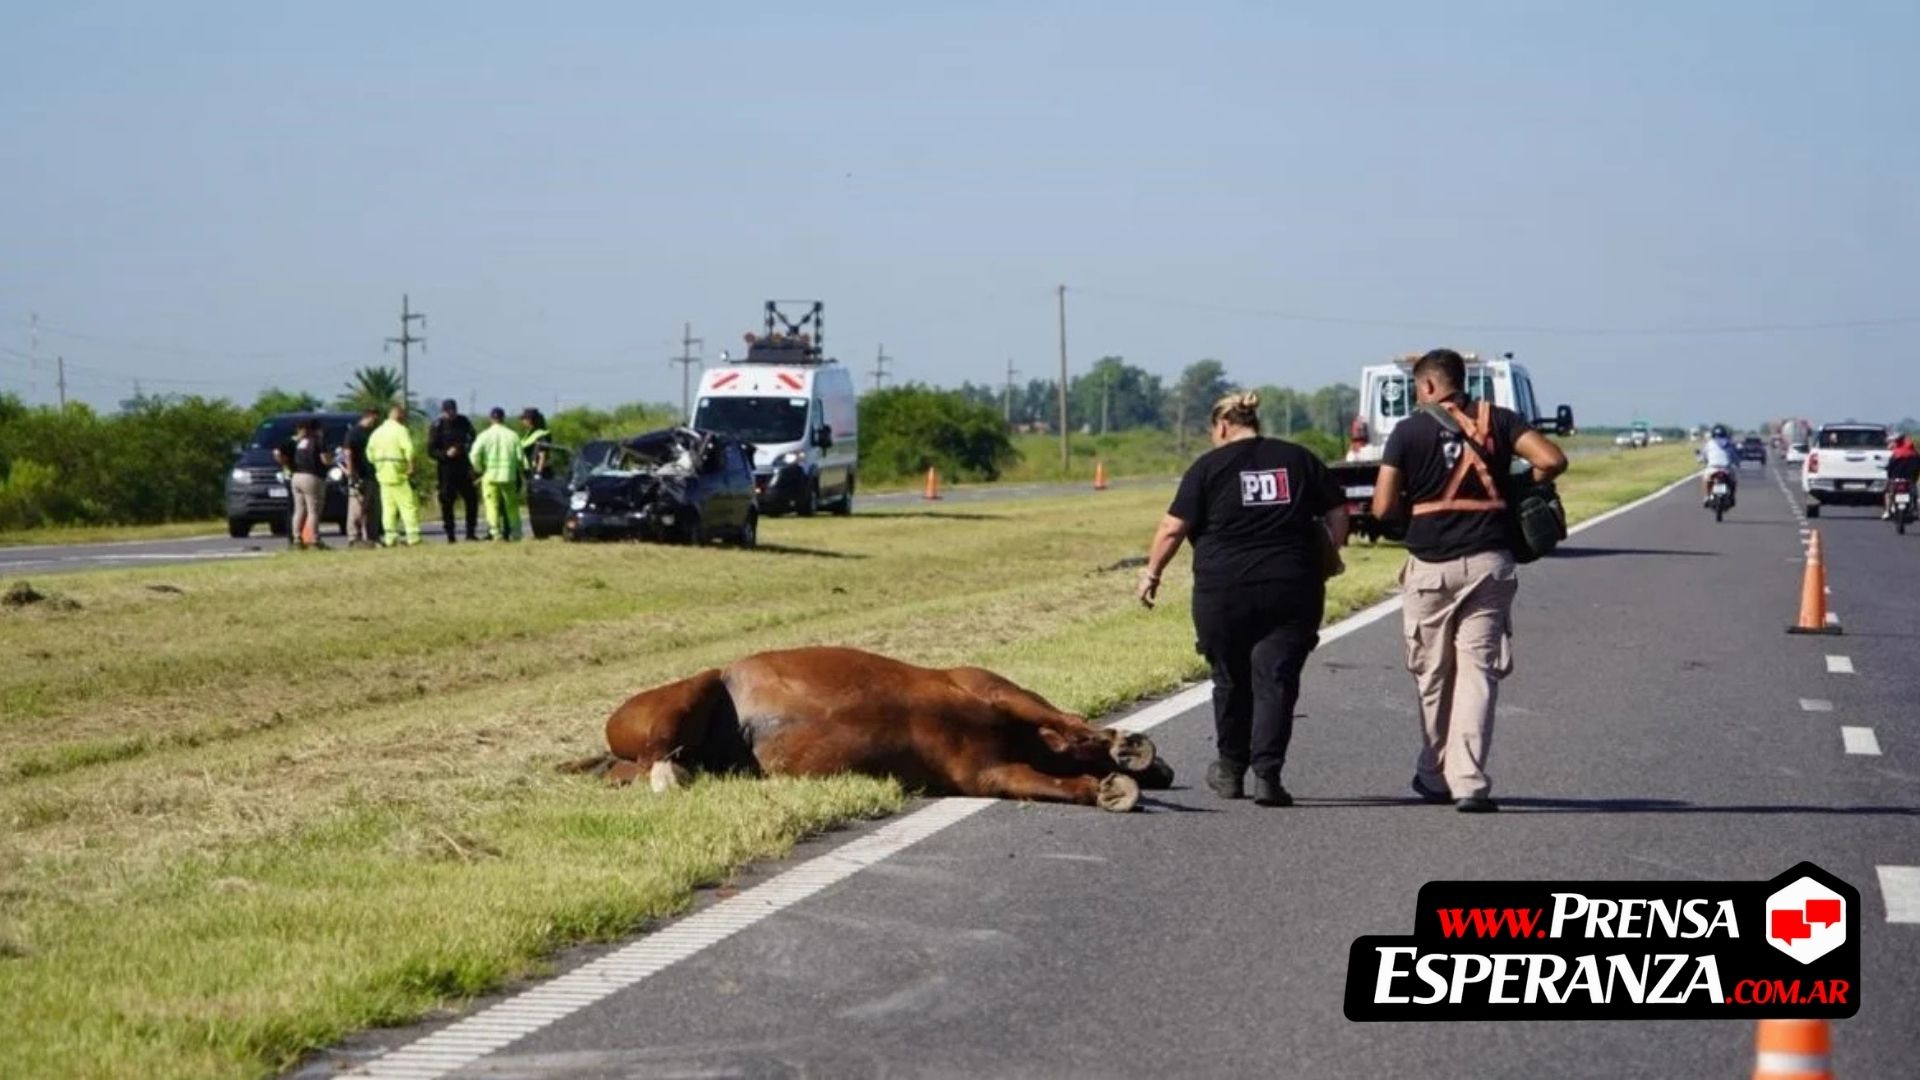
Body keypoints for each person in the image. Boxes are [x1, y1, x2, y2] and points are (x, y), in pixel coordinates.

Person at [1369, 349, 1567, 813]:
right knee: (1477, 674)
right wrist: (1521, 485)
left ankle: (1434, 773)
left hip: (1430, 567)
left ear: (1429, 386)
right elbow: (1552, 459)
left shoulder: (1407, 430)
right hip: (1488, 563)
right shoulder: (1499, 420)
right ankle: (1470, 782)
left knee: (1432, 675)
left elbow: (1381, 508)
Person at [1138, 391, 1350, 807]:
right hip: (1293, 588)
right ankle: (1268, 776)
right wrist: (1332, 551)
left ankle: (1231, 770)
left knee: (1230, 679)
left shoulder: (1207, 468)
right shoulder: (1298, 458)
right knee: (1276, 679)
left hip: (1223, 593)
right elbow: (1339, 511)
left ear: (1221, 426)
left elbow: (1171, 528)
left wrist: (1152, 573)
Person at [273, 417, 333, 549]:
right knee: (313, 510)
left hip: (296, 476)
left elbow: (278, 453)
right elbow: (325, 460)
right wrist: (331, 460)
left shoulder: (300, 442)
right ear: (317, 429)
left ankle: (296, 538)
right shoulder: (318, 440)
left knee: (299, 509)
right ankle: (314, 539)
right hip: (311, 476)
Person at [367, 403, 422, 547]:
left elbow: (369, 455)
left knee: (388, 508)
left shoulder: (377, 433)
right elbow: (409, 450)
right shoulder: (401, 431)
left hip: (382, 475)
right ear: (399, 416)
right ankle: (413, 536)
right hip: (399, 474)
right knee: (408, 506)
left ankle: (390, 537)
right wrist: (411, 467)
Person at [469, 406, 525, 541]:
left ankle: (495, 533)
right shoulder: (513, 435)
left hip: (490, 476)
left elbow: (474, 454)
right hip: (508, 476)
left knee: (491, 505)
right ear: (503, 418)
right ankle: (516, 533)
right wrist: (521, 471)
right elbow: (520, 458)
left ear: (491, 419)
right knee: (511, 505)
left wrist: (479, 469)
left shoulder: (484, 435)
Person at [428, 398, 481, 542]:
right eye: (448, 411)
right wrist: (445, 454)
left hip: (463, 466)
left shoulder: (463, 422)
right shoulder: (437, 426)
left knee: (471, 499)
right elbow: (431, 450)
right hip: (446, 469)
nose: (451, 414)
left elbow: (473, 439)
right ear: (443, 411)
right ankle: (450, 534)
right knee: (447, 501)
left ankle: (470, 532)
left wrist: (463, 448)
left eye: (453, 410)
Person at [340, 407, 384, 548]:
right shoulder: (354, 433)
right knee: (356, 509)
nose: (376, 421)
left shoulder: (373, 433)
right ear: (369, 416)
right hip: (359, 475)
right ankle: (354, 537)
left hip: (372, 475)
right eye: (375, 418)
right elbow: (348, 453)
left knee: (373, 509)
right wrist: (352, 474)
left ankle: (372, 537)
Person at [1700, 424, 1739, 504]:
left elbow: (1704, 455)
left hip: (1712, 468)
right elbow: (1734, 455)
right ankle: (1732, 496)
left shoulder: (1709, 444)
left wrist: (1703, 461)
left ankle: (1707, 496)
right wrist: (1737, 462)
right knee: (1733, 481)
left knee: (1706, 479)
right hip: (1726, 468)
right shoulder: (1729, 443)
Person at [1886, 433, 1920, 519]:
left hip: (1897, 477)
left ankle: (1888, 510)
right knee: (1914, 491)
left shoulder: (1896, 452)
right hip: (1910, 477)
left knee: (1889, 492)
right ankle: (1915, 509)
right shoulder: (1913, 452)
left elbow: (1890, 467)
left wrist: (1889, 475)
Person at [519, 408, 553, 480]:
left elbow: (542, 455)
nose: (522, 421)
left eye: (524, 419)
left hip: (540, 472)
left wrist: (538, 473)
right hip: (529, 470)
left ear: (530, 420)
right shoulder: (529, 433)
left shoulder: (542, 434)